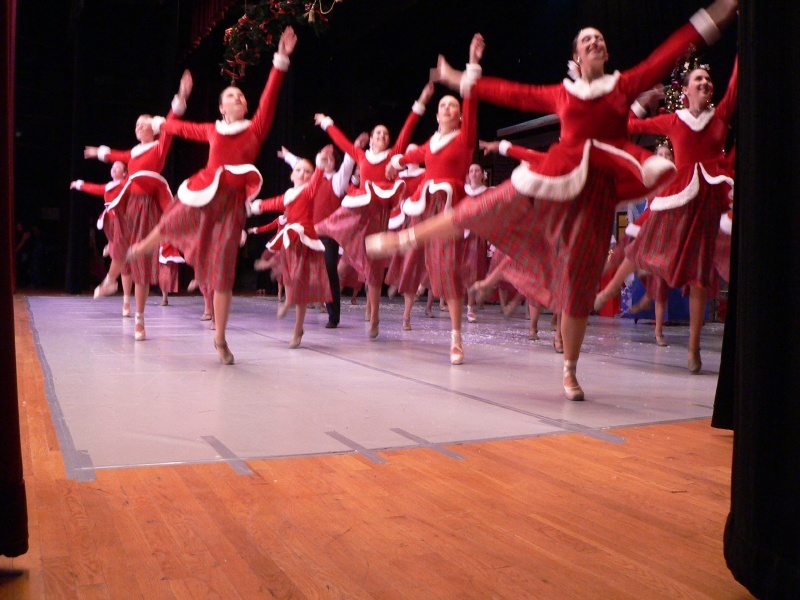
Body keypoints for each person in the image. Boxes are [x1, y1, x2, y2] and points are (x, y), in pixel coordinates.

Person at [367, 0, 738, 398]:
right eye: (586, 40)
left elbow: (672, 49)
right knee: (482, 206)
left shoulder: (624, 84)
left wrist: (722, 10)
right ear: (577, 57)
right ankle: (404, 239)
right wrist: (459, 75)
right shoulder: (563, 94)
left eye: (599, 39)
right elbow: (513, 93)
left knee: (580, 281)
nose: (594, 42)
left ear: (606, 53)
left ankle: (570, 370)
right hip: (554, 177)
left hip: (598, 191)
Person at [128, 27, 298, 365]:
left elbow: (270, 96)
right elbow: (182, 128)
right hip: (204, 193)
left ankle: (220, 337)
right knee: (174, 218)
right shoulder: (213, 129)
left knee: (223, 275)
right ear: (221, 108)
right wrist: (167, 115)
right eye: (231, 96)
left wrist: (281, 59)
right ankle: (146, 246)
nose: (238, 98)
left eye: (241, 96)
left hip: (230, 207)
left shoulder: (255, 128)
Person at [597, 57, 738, 372]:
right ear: (685, 90)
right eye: (698, 79)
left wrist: (746, 45)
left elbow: (734, 87)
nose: (705, 83)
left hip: (708, 202)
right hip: (677, 197)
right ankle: (610, 288)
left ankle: (693, 348)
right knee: (644, 241)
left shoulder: (719, 117)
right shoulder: (674, 120)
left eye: (708, 80)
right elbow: (630, 125)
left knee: (700, 277)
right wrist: (643, 101)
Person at [380, 36, 481, 365]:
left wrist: (471, 65)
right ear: (437, 115)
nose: (448, 108)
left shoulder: (465, 139)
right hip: (426, 210)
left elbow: (471, 101)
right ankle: (411, 296)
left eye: (452, 105)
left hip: (449, 210)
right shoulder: (430, 143)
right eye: (443, 106)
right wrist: (395, 163)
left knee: (449, 269)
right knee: (417, 260)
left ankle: (456, 337)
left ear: (460, 116)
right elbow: (410, 155)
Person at [314, 82, 434, 338]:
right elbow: (342, 142)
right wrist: (326, 122)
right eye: (378, 133)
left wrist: (422, 100)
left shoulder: (393, 155)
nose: (381, 136)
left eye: (385, 134)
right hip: (358, 213)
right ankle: (322, 236)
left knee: (374, 269)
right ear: (371, 138)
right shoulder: (361, 155)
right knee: (325, 226)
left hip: (378, 216)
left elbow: (408, 127)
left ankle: (375, 317)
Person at [85, 71, 193, 341]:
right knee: (120, 246)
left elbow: (171, 122)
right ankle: (110, 281)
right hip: (128, 205)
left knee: (142, 262)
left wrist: (181, 96)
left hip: (146, 207)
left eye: (142, 124)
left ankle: (140, 318)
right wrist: (98, 152)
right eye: (135, 125)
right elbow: (116, 154)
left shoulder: (159, 147)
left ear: (152, 128)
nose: (137, 127)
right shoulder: (132, 153)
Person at [249, 156, 331, 348]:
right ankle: (287, 296)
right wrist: (257, 206)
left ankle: (297, 328)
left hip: (304, 239)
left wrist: (320, 165)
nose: (303, 173)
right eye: (299, 170)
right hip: (290, 240)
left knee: (299, 282)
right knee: (289, 277)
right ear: (292, 175)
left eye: (307, 171)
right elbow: (273, 203)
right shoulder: (288, 196)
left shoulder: (309, 190)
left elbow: (317, 179)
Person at [278, 141, 358, 328]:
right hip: (306, 233)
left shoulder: (337, 180)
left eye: (330, 158)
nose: (326, 159)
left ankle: (333, 315)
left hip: (326, 236)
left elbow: (348, 164)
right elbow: (298, 164)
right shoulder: (312, 178)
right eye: (324, 156)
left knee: (329, 273)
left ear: (335, 163)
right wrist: (288, 155)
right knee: (300, 270)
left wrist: (354, 146)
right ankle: (297, 305)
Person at [70, 161, 134, 316]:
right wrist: (79, 185)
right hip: (109, 223)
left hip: (122, 223)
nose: (113, 168)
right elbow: (96, 188)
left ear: (125, 173)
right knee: (122, 260)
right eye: (113, 166)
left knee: (123, 260)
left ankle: (123, 297)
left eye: (118, 167)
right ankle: (111, 247)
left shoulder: (127, 185)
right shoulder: (109, 186)